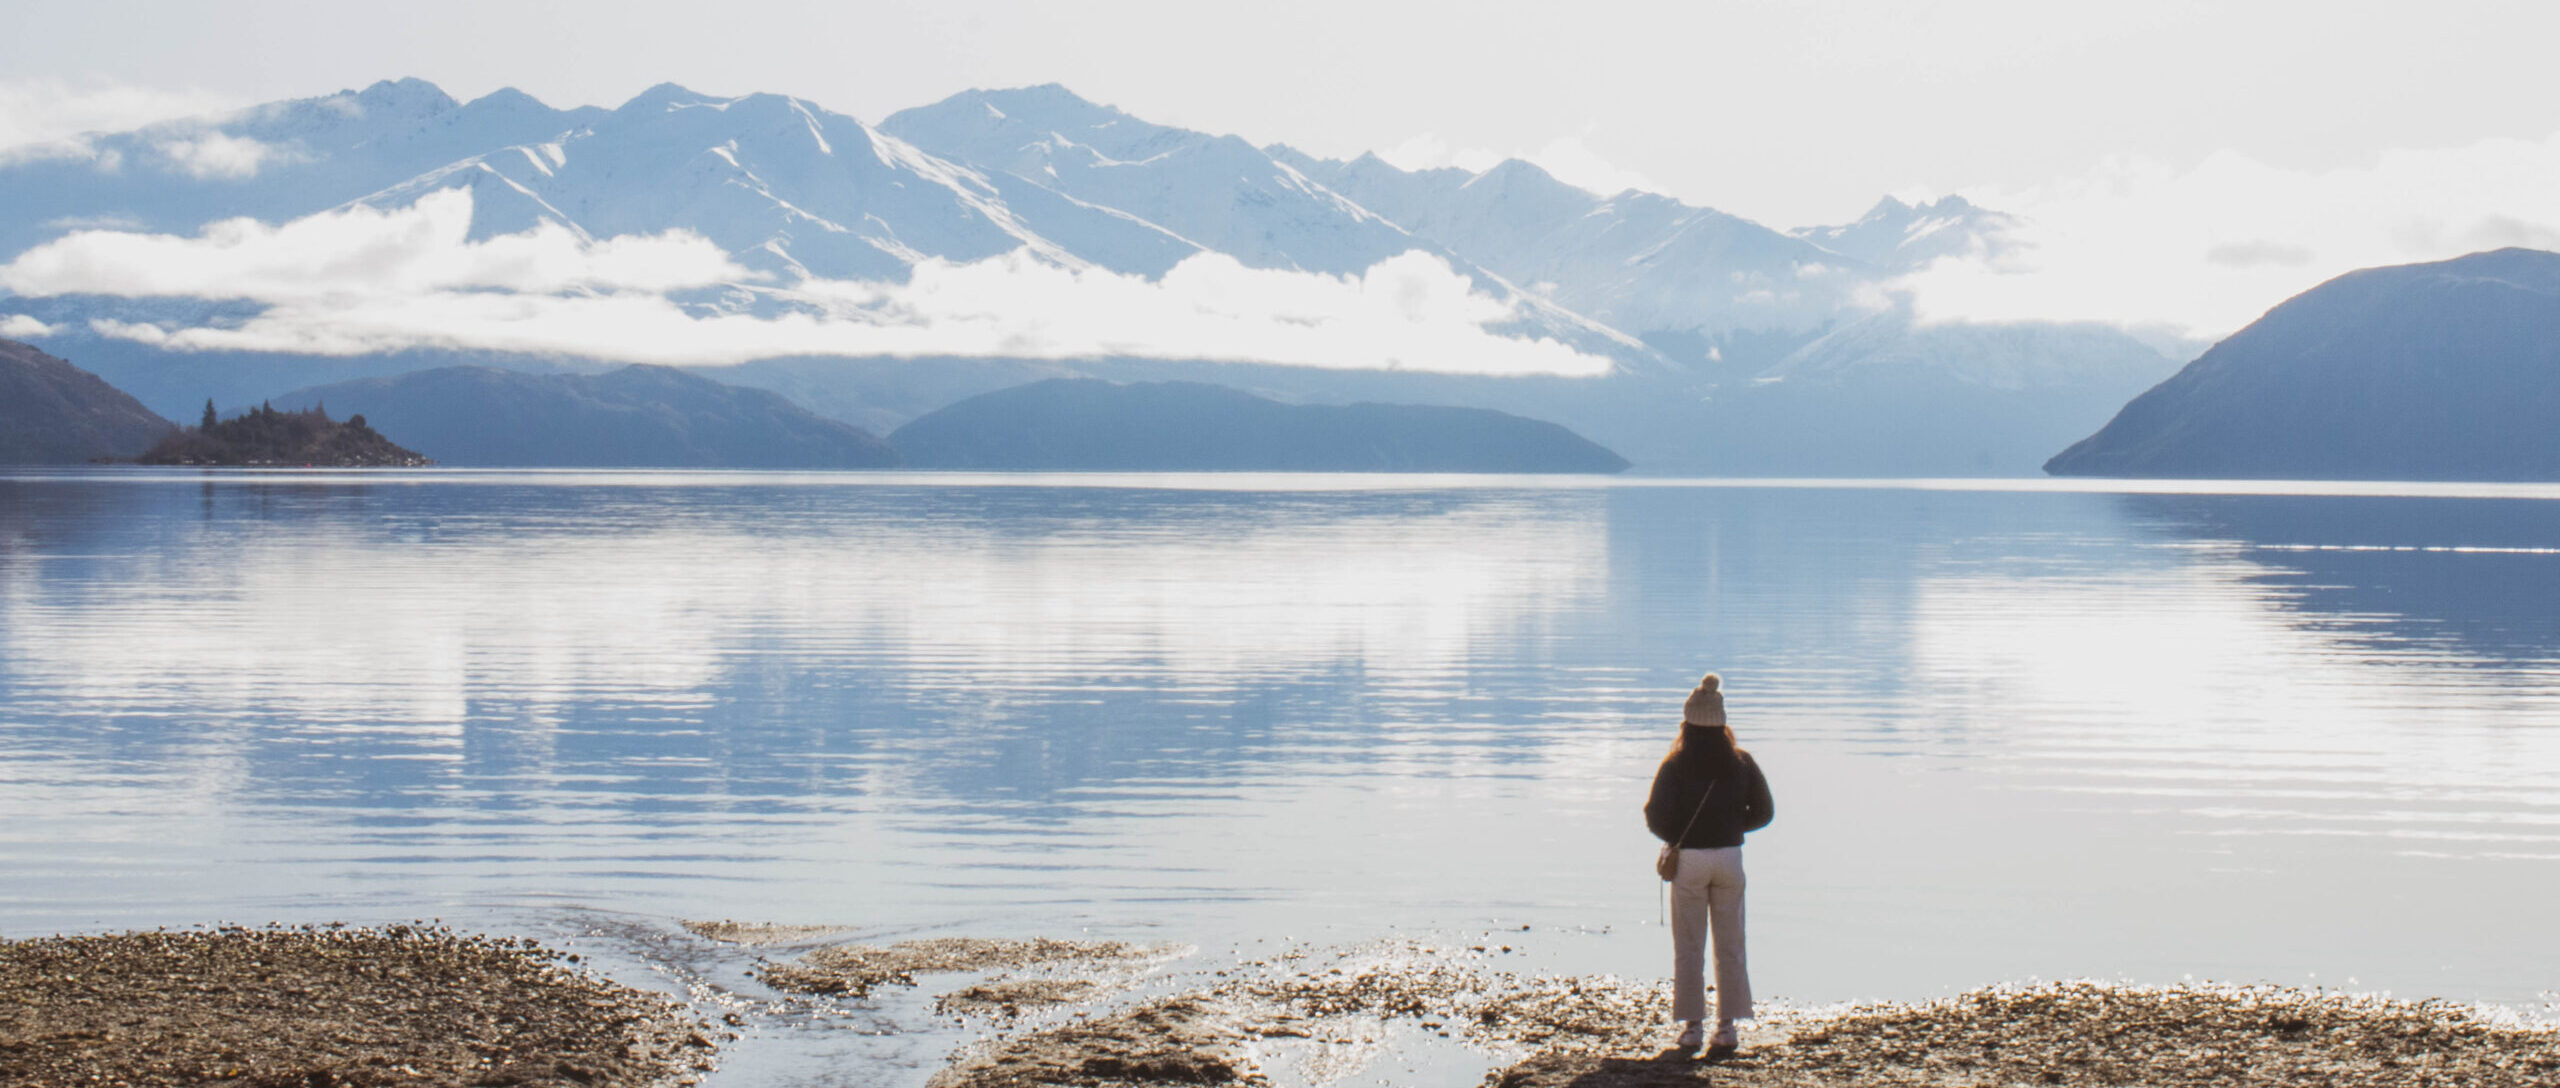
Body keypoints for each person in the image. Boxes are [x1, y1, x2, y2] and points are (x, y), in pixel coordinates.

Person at [1643, 672, 1773, 1059]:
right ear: (1722, 723)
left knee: (1689, 945)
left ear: (1687, 722)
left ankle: (1692, 1028)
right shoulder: (1742, 762)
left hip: (1691, 862)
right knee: (1731, 944)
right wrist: (1734, 827)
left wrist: (1678, 837)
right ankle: (1727, 1029)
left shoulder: (1675, 763)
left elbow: (1653, 816)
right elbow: (1764, 812)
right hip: (1730, 859)